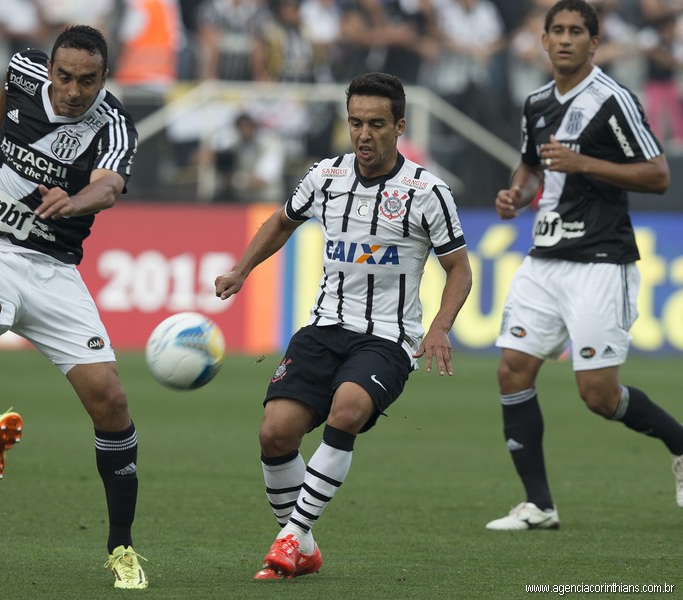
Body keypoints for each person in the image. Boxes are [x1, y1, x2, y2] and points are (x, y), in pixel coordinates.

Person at [215, 72, 472, 579]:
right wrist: (242, 269)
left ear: (399, 126)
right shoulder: (325, 176)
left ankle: (290, 538)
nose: (364, 134)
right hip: (324, 327)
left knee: (347, 409)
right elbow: (282, 221)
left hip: (388, 337)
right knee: (274, 434)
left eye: (376, 124)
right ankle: (304, 546)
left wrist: (440, 326)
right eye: (356, 123)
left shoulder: (427, 191)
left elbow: (459, 269)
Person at [0, 25, 148, 589]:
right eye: (65, 77)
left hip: (53, 269)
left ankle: (122, 547)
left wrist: (72, 202)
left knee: (111, 400)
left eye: (88, 81)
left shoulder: (115, 125)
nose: (74, 91)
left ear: (105, 78)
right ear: (49, 69)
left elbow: (109, 187)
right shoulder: (23, 69)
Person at [486, 0, 683, 531]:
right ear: (544, 40)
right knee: (511, 369)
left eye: (577, 31)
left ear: (594, 43)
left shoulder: (613, 101)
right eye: (557, 30)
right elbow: (530, 166)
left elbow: (658, 174)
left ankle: (681, 444)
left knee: (598, 395)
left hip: (600, 258)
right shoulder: (536, 102)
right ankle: (539, 505)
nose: (566, 39)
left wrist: (585, 163)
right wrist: (515, 194)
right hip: (544, 258)